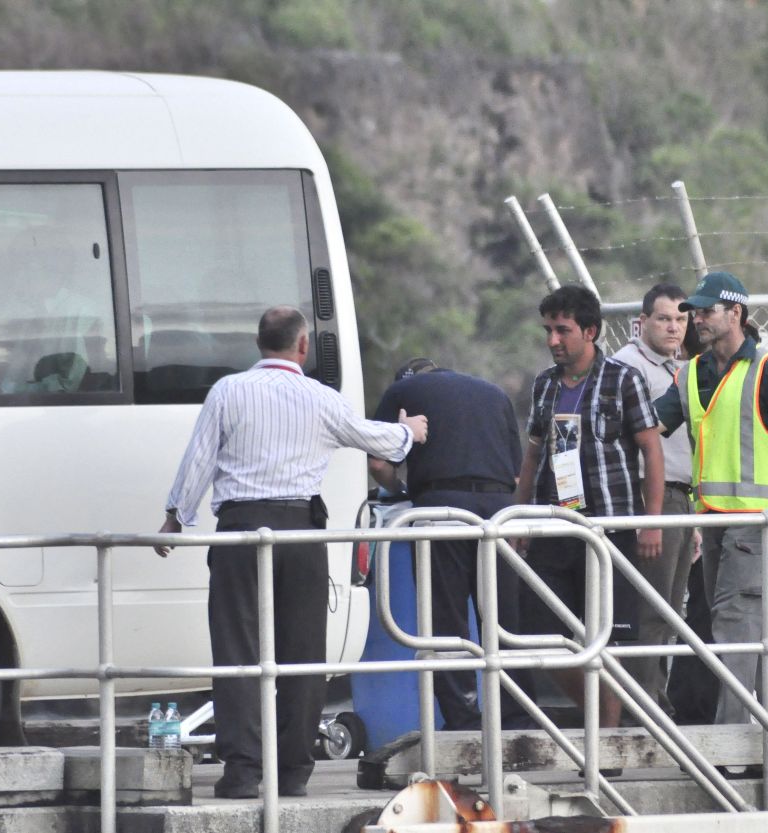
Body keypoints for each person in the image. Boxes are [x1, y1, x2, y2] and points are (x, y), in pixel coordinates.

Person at [155, 306, 427, 799]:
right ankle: (293, 772)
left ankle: (241, 773)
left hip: (238, 532)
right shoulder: (322, 398)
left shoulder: (228, 391)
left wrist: (176, 517)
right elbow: (376, 438)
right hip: (300, 533)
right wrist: (410, 431)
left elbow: (199, 458)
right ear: (302, 346)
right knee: (303, 656)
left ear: (259, 343)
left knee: (237, 654)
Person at [653, 271, 768, 727]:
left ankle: (730, 741)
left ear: (736, 313)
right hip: (713, 523)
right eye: (695, 313)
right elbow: (649, 428)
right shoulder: (691, 374)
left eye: (706, 312)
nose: (697, 321)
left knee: (733, 625)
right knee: (750, 629)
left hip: (754, 522)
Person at [515, 285, 664, 729]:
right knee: (542, 632)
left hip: (607, 529)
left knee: (607, 638)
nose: (553, 340)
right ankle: (599, 717)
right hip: (553, 526)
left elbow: (651, 451)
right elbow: (532, 455)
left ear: (590, 331)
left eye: (563, 330)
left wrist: (650, 524)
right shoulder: (544, 384)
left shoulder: (623, 379)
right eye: (548, 330)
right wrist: (519, 516)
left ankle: (609, 736)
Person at [367, 357, 536, 731]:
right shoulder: (493, 393)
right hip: (498, 509)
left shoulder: (401, 392)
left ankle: (463, 719)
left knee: (446, 620)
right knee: (503, 619)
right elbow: (515, 470)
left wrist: (401, 491)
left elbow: (379, 464)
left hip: (441, 508)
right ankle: (517, 715)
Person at [610, 283, 697, 713]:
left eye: (681, 319)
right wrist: (652, 515)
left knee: (667, 613)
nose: (674, 327)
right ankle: (642, 712)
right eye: (664, 318)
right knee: (649, 611)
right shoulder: (628, 368)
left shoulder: (677, 368)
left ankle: (653, 704)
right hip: (652, 499)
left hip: (682, 499)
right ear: (641, 322)